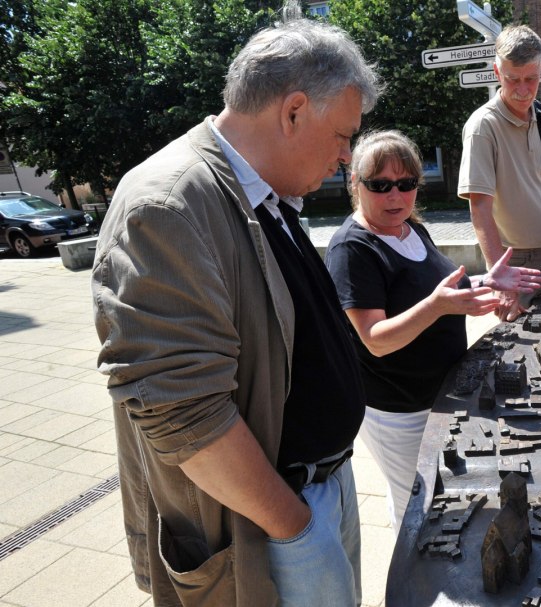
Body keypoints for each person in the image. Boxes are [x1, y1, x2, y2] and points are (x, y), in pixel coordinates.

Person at [91, 18, 381, 605]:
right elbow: (183, 415)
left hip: (315, 492)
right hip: (271, 526)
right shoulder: (170, 202)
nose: (348, 158)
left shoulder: (262, 191)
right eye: (344, 136)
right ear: (294, 110)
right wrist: (296, 527)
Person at [325, 130, 541, 534]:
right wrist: (438, 305)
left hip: (439, 396)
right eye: (381, 185)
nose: (396, 196)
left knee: (431, 493)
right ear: (355, 184)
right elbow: (375, 339)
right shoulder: (352, 248)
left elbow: (438, 288)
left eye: (406, 184)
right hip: (399, 409)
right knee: (416, 501)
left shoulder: (411, 228)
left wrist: (483, 283)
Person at [459, 24, 541, 322]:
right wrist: (500, 277)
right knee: (520, 350)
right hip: (516, 261)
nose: (523, 91)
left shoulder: (540, 112)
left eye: (531, 79)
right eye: (513, 80)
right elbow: (479, 208)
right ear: (498, 73)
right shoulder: (482, 126)